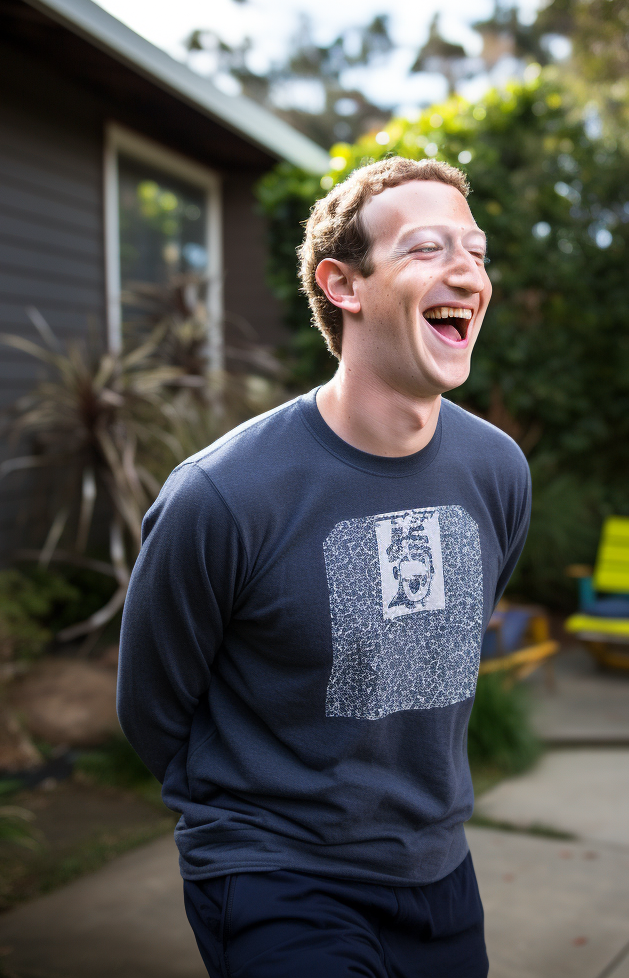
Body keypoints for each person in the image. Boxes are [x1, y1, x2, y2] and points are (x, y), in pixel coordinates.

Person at [117, 156, 532, 977]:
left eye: (476, 252)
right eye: (425, 248)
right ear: (343, 285)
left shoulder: (497, 471)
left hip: (438, 873)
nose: (466, 272)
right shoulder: (222, 495)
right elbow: (153, 705)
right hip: (277, 877)